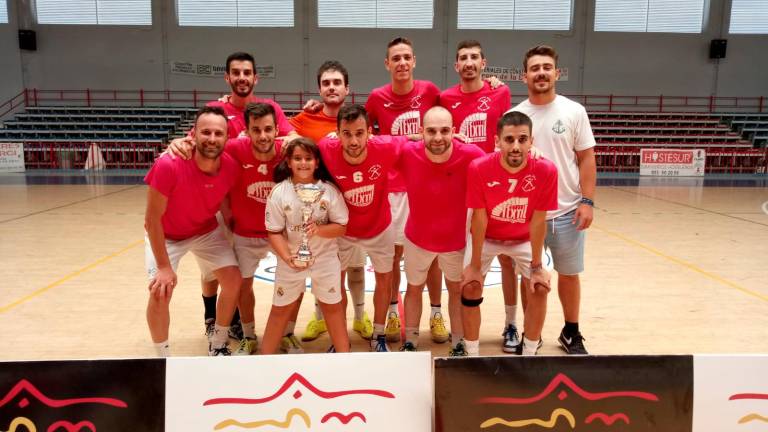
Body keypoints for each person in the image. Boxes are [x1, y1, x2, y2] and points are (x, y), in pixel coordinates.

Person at [196, 51, 297, 343]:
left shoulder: (269, 109)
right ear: (228, 77)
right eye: (236, 73)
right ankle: (211, 316)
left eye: (247, 73)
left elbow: (290, 138)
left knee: (240, 276)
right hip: (226, 204)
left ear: (255, 77)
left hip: (260, 208)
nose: (242, 78)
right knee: (215, 271)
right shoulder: (215, 109)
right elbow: (200, 143)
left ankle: (241, 323)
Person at [510, 45, 596, 355]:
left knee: (569, 275)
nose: (541, 72)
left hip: (567, 210)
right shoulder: (515, 115)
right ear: (525, 76)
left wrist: (587, 201)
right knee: (528, 277)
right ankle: (529, 334)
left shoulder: (574, 111)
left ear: (556, 73)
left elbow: (586, 158)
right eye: (535, 68)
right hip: (528, 214)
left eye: (547, 67)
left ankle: (571, 331)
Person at [440, 39, 521, 353]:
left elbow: (508, 133)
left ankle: (511, 323)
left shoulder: (499, 92)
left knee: (508, 261)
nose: (469, 62)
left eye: (475, 57)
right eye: (463, 58)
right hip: (460, 190)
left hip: (496, 189)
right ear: (457, 65)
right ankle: (462, 333)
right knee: (466, 266)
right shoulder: (445, 97)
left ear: (484, 63)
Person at [364, 37, 445, 344]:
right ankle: (395, 309)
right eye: (395, 58)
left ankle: (437, 314)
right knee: (395, 254)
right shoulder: (376, 97)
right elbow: (361, 130)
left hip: (426, 183)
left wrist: (490, 84)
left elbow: (452, 115)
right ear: (387, 64)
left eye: (406, 57)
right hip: (394, 187)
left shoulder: (430, 92)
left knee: (434, 255)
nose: (401, 63)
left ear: (414, 61)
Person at [458, 111, 558, 357]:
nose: (516, 146)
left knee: (540, 286)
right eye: (509, 139)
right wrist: (473, 266)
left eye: (522, 139)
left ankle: (530, 352)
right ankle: (472, 355)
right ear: (497, 141)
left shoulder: (546, 170)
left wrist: (536, 266)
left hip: (523, 238)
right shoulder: (479, 168)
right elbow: (479, 218)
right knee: (470, 286)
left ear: (531, 142)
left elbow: (538, 221)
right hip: (488, 237)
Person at [144, 106, 242, 356]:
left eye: (218, 133)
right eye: (205, 132)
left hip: (205, 230)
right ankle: (162, 358)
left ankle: (218, 343)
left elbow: (221, 199)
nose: (212, 138)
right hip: (166, 235)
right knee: (160, 291)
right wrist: (164, 267)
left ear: (227, 137)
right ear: (193, 135)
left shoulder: (230, 167)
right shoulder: (169, 164)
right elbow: (152, 220)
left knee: (233, 281)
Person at [290, 61, 373, 342]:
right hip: (318, 208)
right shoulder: (305, 119)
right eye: (326, 83)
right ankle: (320, 319)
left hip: (354, 201)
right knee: (323, 267)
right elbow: (279, 133)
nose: (332, 87)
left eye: (337, 82)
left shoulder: (356, 119)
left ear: (347, 88)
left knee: (356, 266)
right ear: (319, 89)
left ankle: (361, 318)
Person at [318, 104, 409, 352]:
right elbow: (294, 145)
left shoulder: (386, 146)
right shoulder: (326, 148)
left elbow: (417, 139)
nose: (354, 140)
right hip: (343, 230)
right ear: (337, 134)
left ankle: (378, 336)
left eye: (359, 133)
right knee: (335, 283)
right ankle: (340, 338)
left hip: (379, 226)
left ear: (370, 131)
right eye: (347, 134)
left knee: (384, 279)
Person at [396, 107, 484, 353]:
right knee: (414, 288)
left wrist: (534, 153)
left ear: (454, 132)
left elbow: (499, 163)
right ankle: (411, 342)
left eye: (445, 131)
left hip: (456, 242)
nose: (438, 137)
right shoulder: (407, 152)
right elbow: (376, 146)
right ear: (421, 132)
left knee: (456, 291)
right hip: (417, 238)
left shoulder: (471, 154)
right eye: (431, 131)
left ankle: (458, 343)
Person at [262, 138, 350, 354]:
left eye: (308, 158)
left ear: (317, 162)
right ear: (289, 162)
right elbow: (273, 231)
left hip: (325, 260)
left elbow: (341, 227)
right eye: (297, 158)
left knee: (333, 309)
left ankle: (345, 360)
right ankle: (263, 361)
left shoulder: (328, 191)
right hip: (290, 260)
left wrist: (319, 230)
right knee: (279, 310)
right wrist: (287, 258)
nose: (303, 163)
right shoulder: (279, 193)